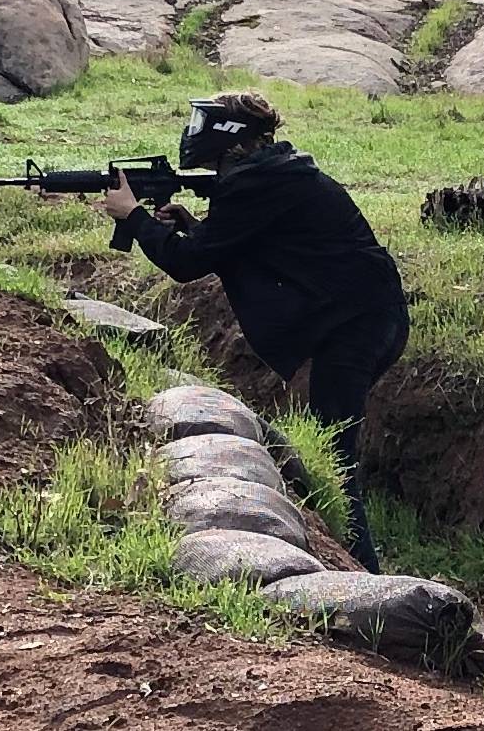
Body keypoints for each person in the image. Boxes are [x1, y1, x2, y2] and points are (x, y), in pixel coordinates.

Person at [102, 92, 409, 573]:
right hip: (367, 317)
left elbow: (187, 264)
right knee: (332, 449)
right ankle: (356, 566)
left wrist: (134, 218)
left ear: (226, 137)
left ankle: (365, 582)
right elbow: (239, 242)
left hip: (354, 327)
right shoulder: (271, 178)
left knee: (336, 461)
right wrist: (191, 224)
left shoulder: (258, 187)